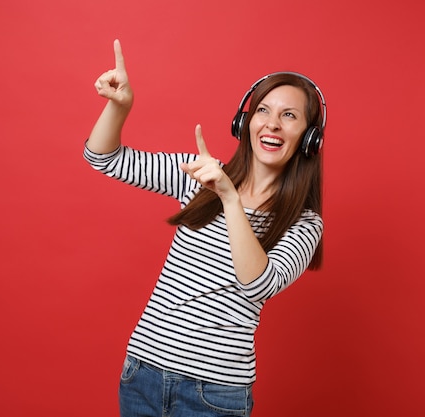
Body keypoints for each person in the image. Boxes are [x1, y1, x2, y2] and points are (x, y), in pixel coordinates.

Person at [84, 39, 326, 417]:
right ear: (245, 121)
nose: (272, 124)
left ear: (310, 139)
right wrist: (120, 107)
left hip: (215, 394)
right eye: (262, 110)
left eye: (289, 116)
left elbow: (258, 284)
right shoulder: (200, 175)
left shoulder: (304, 223)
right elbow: (104, 157)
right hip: (142, 373)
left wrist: (230, 200)